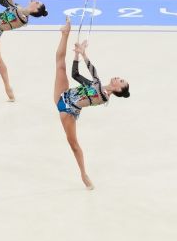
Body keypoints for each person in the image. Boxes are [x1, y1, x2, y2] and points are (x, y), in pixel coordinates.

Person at [53, 19, 129, 189]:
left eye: (121, 80)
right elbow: (75, 74)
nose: (118, 77)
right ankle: (65, 34)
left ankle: (83, 174)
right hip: (63, 95)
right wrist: (77, 54)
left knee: (74, 145)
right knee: (60, 66)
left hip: (68, 110)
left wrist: (83, 53)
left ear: (117, 89)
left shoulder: (103, 96)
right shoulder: (98, 85)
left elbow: (93, 73)